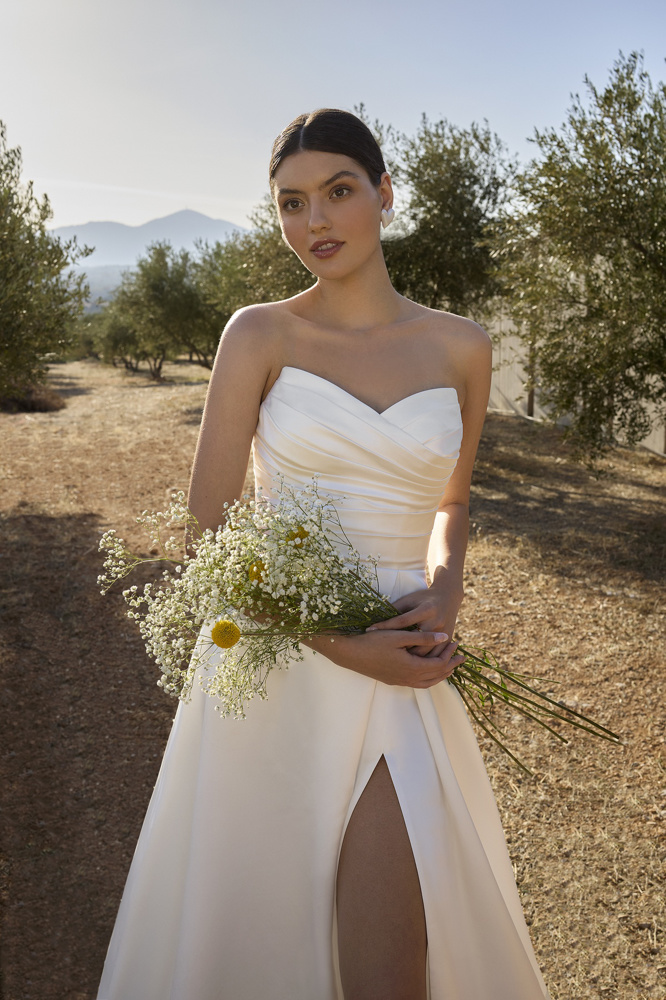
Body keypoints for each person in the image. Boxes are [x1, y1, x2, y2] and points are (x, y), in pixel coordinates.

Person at [97, 108, 551, 1000]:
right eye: (291, 203)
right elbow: (209, 539)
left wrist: (446, 581)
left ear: (385, 193)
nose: (316, 223)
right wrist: (342, 644)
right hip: (278, 661)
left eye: (339, 191)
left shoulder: (463, 346)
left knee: (394, 970)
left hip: (409, 664)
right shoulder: (259, 335)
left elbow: (450, 499)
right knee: (256, 944)